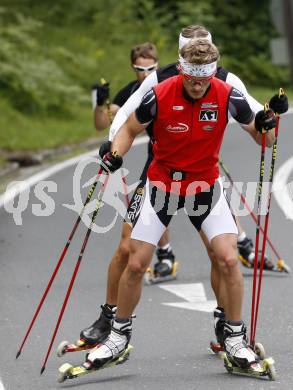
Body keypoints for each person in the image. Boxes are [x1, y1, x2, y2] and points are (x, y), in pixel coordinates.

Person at [87, 38, 279, 371]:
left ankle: (234, 338)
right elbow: (129, 130)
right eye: (191, 74)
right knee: (136, 262)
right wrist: (115, 153)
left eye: (204, 75)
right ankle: (118, 336)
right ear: (181, 68)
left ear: (213, 72)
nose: (197, 82)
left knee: (229, 259)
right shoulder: (159, 94)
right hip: (162, 185)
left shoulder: (227, 94)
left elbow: (264, 139)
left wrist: (268, 126)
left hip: (204, 187)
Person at [80, 42, 177, 345]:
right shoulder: (130, 94)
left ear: (158, 64)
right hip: (156, 166)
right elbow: (105, 125)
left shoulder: (169, 85)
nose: (145, 73)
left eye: (150, 68)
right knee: (128, 238)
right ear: (132, 67)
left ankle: (240, 244)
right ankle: (110, 318)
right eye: (140, 69)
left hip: (191, 164)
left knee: (215, 225)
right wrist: (100, 102)